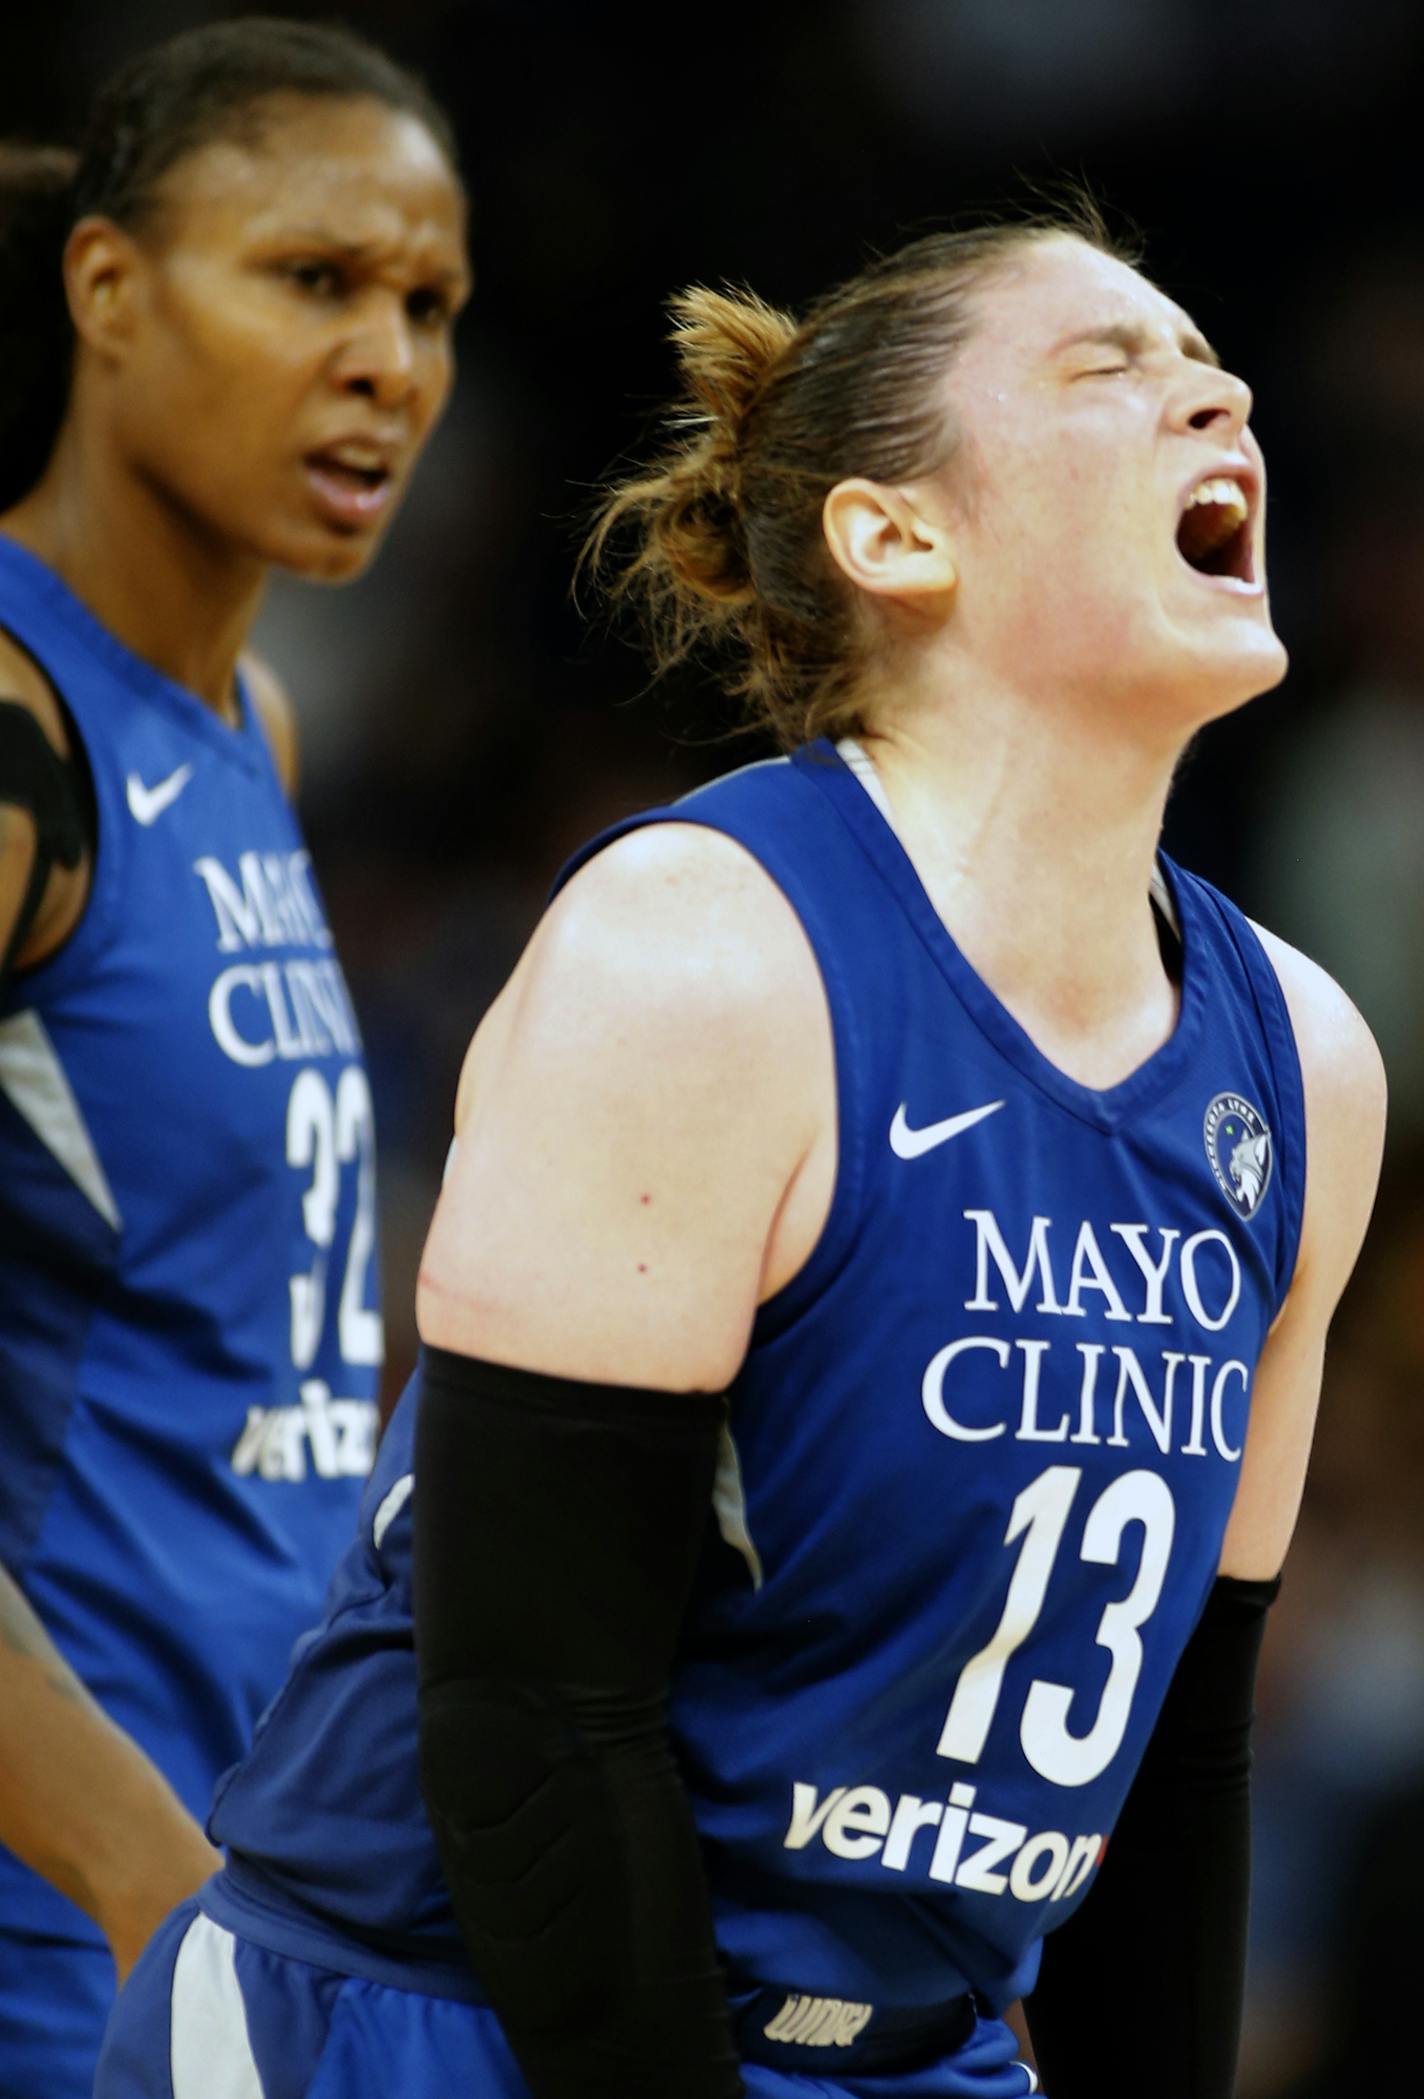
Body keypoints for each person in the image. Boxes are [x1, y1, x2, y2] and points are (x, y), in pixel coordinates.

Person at [97, 201, 1384, 2099]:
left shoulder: (1304, 1064)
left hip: (910, 2050)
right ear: (897, 533)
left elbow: (1178, 1751)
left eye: (1213, 364)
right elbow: (539, 1716)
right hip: (429, 2011)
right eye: (1119, 367)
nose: (1223, 394)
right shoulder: (705, 950)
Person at [0, 18, 469, 2096]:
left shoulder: (251, 732)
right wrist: (146, 1887)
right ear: (108, 287)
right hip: (67, 1930)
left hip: (251, 1908)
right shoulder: (15, 734)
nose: (391, 359)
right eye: (314, 280)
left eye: (429, 304)